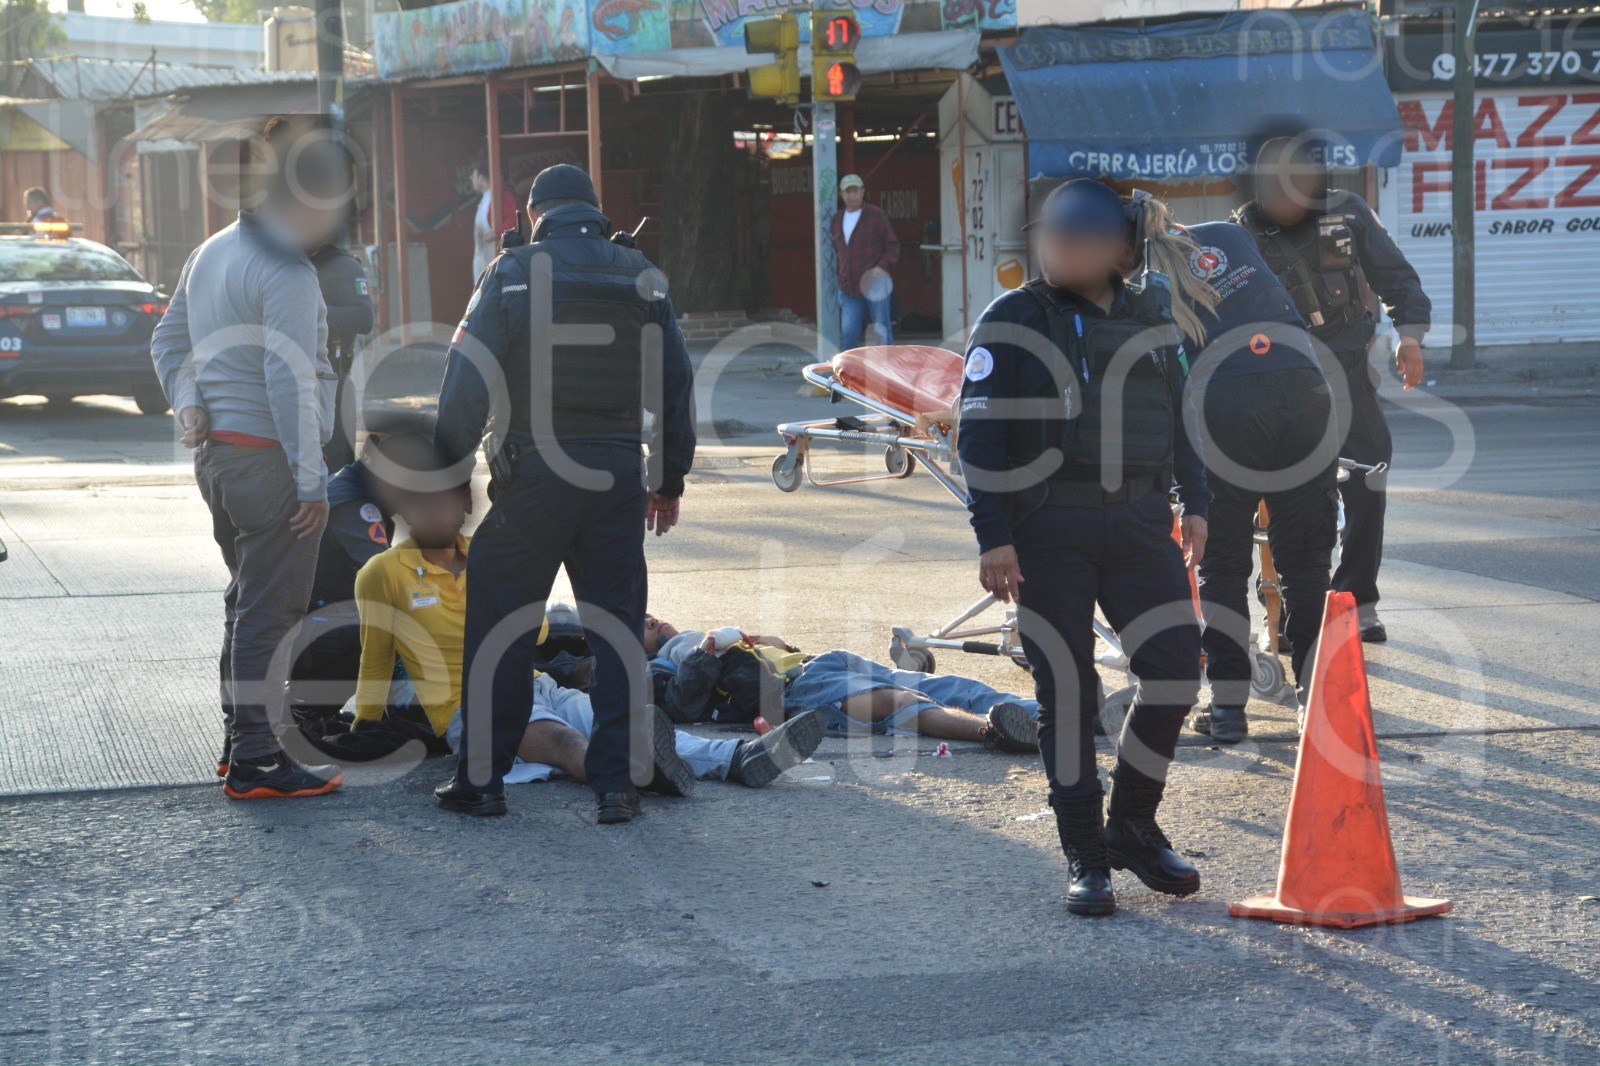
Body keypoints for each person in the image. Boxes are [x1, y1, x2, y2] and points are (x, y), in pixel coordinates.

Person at [955, 179, 1213, 917]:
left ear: (1122, 249)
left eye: (1079, 237)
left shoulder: (1152, 312)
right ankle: (1085, 855)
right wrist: (993, 536)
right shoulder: (1012, 317)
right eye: (1052, 235)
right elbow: (979, 434)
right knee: (1067, 691)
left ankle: (1132, 825)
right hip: (1047, 530)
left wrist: (1197, 502)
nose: (1060, 247)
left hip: (1137, 521)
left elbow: (1180, 414)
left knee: (1171, 670)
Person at [432, 163, 695, 824]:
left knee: (501, 628)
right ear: (596, 212)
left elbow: (466, 379)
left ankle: (483, 782)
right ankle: (616, 784)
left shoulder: (512, 272)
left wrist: (448, 476)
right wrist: (667, 480)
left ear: (534, 214)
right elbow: (676, 384)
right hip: (614, 478)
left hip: (535, 475)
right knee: (617, 635)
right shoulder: (641, 276)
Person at [349, 471, 822, 798]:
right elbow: (375, 656)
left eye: (449, 497)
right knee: (562, 743)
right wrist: (365, 724)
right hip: (469, 709)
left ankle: (741, 756)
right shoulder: (383, 573)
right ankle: (641, 776)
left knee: (615, 723)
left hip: (536, 684)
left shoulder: (492, 554)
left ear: (467, 504)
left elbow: (537, 637)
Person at [151, 124, 349, 799]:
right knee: (269, 614)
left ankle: (243, 743)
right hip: (271, 467)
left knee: (246, 607)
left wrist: (188, 402)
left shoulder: (211, 250)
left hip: (220, 464)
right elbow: (288, 380)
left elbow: (166, 338)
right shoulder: (286, 269)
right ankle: (259, 759)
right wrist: (312, 482)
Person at [1233, 138, 1431, 642]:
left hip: (1344, 363)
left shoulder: (1347, 212)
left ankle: (1356, 598)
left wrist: (1410, 337)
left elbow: (1396, 277)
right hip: (1280, 373)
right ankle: (1277, 597)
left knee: (1370, 471)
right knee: (1279, 491)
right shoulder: (1245, 230)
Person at [1180, 198, 1340, 744]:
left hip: (1228, 401)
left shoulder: (1152, 272)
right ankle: (1315, 702)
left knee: (1222, 559)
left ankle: (1228, 708)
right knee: (1305, 557)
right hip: (1305, 384)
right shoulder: (1233, 236)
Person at [642, 615, 1040, 752]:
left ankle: (1062, 717)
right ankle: (994, 733)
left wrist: (781, 646)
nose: (650, 619)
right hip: (792, 694)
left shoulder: (687, 639)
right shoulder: (657, 667)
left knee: (949, 686)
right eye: (639, 624)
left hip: (822, 664)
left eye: (649, 613)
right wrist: (708, 651)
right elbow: (681, 705)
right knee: (896, 701)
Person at [309, 243, 375, 471]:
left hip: (332, 381)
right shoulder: (289, 263)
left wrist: (310, 311)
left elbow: (363, 318)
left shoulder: (344, 266)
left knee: (335, 467)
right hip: (294, 381)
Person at [829, 174, 899, 349]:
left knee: (881, 331)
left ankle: (886, 371)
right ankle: (848, 372)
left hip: (874, 284)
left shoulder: (877, 215)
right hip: (848, 287)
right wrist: (840, 273)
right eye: (848, 191)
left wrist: (881, 267)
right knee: (848, 331)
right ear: (841, 194)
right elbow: (836, 251)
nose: (852, 195)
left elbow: (893, 246)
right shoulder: (836, 219)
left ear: (862, 192)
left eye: (855, 190)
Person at [470, 162, 519, 282]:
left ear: (481, 177)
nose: (472, 180)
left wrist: (497, 233)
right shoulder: (484, 199)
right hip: (483, 259)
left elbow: (513, 218)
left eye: (473, 176)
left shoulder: (501, 193)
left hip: (497, 260)